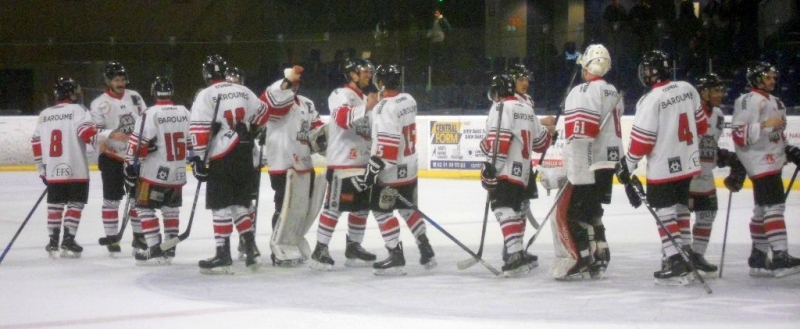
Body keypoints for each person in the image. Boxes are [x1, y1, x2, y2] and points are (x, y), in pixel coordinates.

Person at [615, 50, 708, 285]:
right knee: (680, 211)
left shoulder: (650, 100)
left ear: (653, 72)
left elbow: (642, 142)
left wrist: (627, 165)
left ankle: (675, 261)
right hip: (688, 165)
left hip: (664, 168)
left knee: (665, 214)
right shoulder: (688, 89)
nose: (644, 73)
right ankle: (685, 254)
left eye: (647, 69)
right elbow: (702, 126)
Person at [349, 64, 436, 275]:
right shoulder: (409, 100)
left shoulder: (383, 107)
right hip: (410, 168)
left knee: (381, 212)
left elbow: (387, 149)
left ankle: (395, 255)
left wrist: (370, 174)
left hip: (391, 172)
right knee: (409, 209)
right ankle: (425, 247)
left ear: (381, 82)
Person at [189, 54, 270, 274]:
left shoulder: (206, 94)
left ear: (206, 74)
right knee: (240, 204)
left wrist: (198, 158)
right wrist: (248, 128)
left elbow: (198, 130)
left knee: (220, 206)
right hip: (244, 153)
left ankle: (222, 254)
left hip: (221, 156)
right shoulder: (244, 91)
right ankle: (251, 249)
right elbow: (263, 115)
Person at [32, 78, 125, 258]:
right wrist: (110, 134)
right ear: (71, 94)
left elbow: (36, 142)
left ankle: (52, 241)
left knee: (55, 204)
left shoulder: (44, 114)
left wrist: (41, 168)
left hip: (52, 168)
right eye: (74, 92)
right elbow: (87, 134)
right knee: (75, 203)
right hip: (76, 168)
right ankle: (68, 239)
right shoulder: (78, 110)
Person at [555, 44, 622, 280]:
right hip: (607, 162)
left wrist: (572, 167)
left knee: (572, 213)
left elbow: (581, 134)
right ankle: (600, 253)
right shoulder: (612, 91)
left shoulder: (583, 92)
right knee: (593, 210)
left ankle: (581, 258)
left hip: (589, 162)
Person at [732, 61, 800, 278]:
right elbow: (739, 135)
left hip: (772, 161)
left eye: (773, 77)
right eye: (768, 77)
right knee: (775, 208)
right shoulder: (747, 101)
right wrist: (763, 125)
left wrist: (788, 151)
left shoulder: (776, 102)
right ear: (757, 79)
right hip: (760, 162)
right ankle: (780, 256)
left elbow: (776, 136)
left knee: (762, 210)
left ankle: (759, 256)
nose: (773, 81)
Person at [309, 58, 378, 270]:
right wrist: (367, 107)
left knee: (361, 208)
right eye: (363, 71)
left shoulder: (368, 98)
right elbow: (341, 119)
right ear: (352, 75)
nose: (368, 75)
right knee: (334, 208)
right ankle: (320, 249)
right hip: (342, 165)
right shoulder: (340, 95)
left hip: (363, 164)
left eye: (369, 71)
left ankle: (354, 245)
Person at [480, 74, 552, 277]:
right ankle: (517, 251)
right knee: (516, 209)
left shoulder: (501, 108)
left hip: (506, 169)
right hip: (524, 172)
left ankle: (514, 255)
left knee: (502, 208)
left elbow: (499, 143)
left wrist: (491, 168)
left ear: (497, 93)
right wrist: (551, 134)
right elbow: (542, 143)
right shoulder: (527, 109)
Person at [262, 65, 326, 266]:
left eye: (297, 83)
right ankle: (278, 244)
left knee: (303, 208)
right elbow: (273, 102)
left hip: (305, 162)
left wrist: (324, 140)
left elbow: (317, 128)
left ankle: (294, 239)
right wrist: (287, 81)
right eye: (292, 83)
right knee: (284, 207)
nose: (295, 87)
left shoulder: (307, 104)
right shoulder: (276, 99)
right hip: (283, 162)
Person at [123, 76, 190, 265]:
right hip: (177, 173)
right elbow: (192, 141)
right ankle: (169, 250)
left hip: (154, 174)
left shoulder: (149, 113)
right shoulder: (184, 111)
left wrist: (130, 166)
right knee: (171, 210)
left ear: (153, 93)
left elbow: (137, 145)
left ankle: (154, 248)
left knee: (143, 208)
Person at [685, 73, 745, 275]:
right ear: (703, 93)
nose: (721, 93)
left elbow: (710, 146)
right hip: (685, 176)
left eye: (721, 90)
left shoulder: (719, 115)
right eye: (716, 90)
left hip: (706, 177)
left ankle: (696, 255)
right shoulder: (688, 112)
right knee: (680, 218)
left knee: (707, 215)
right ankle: (678, 257)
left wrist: (728, 159)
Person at [90, 62, 148, 257]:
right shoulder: (99, 103)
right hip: (112, 158)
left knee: (137, 200)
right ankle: (112, 238)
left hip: (135, 158)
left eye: (123, 79)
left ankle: (139, 236)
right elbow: (94, 132)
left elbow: (146, 120)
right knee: (112, 200)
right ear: (108, 81)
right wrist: (113, 135)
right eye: (116, 80)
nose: (120, 83)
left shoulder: (135, 97)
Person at [505, 63, 557, 266]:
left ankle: (517, 247)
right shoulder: (508, 101)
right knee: (513, 208)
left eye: (526, 79)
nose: (525, 83)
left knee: (523, 207)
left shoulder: (527, 100)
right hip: (511, 164)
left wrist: (546, 132)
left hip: (525, 164)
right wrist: (544, 123)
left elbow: (531, 126)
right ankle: (511, 247)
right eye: (520, 79)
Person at [224, 66, 262, 262]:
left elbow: (262, 118)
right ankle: (247, 240)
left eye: (236, 81)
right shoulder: (247, 96)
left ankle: (245, 241)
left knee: (241, 203)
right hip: (242, 157)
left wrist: (257, 130)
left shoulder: (247, 97)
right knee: (240, 203)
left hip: (243, 157)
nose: (234, 85)